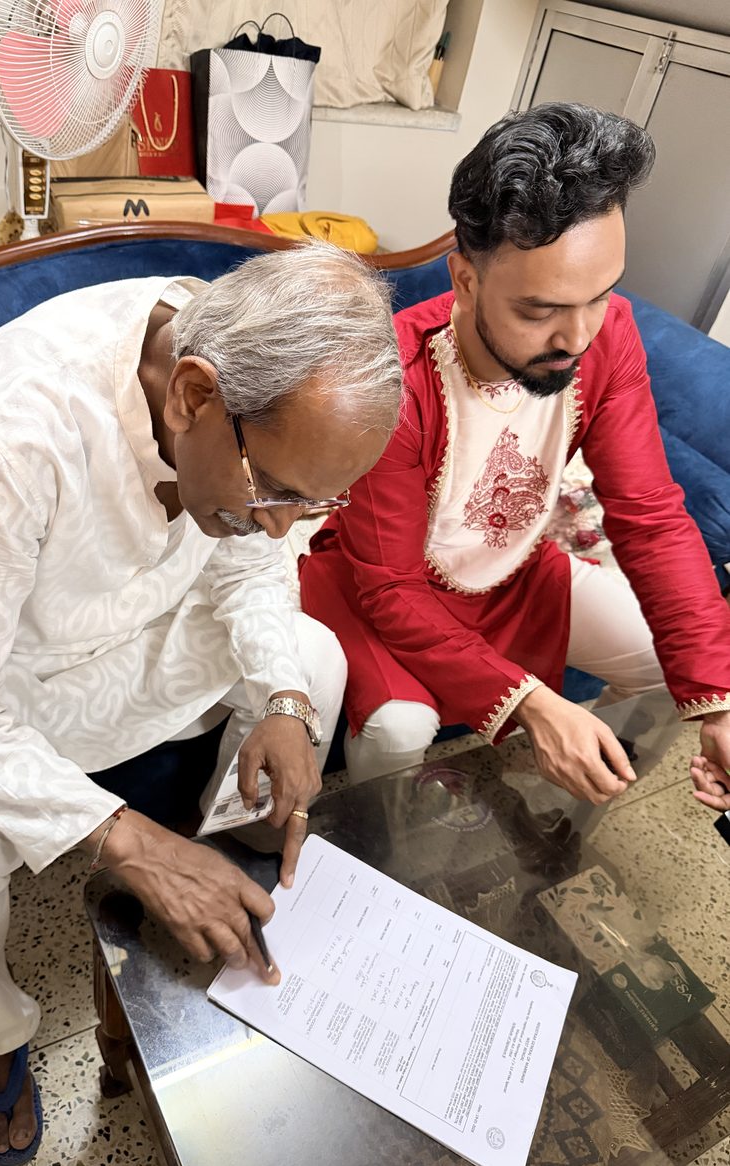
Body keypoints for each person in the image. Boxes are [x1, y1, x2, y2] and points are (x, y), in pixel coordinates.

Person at [0, 242, 402, 1166]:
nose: (285, 522)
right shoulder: (14, 428)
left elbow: (253, 557)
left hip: (131, 632)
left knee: (314, 661)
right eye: (274, 490)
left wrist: (285, 703)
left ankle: (236, 831)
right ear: (190, 397)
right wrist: (134, 845)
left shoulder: (244, 364)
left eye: (316, 501)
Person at [300, 102, 730, 811]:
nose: (579, 335)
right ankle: (380, 866)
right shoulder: (395, 380)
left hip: (513, 570)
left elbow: (650, 516)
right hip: (384, 586)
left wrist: (716, 706)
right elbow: (390, 588)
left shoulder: (608, 335)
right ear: (464, 280)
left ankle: (564, 818)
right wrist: (528, 704)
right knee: (396, 731)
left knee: (671, 664)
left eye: (601, 295)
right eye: (540, 311)